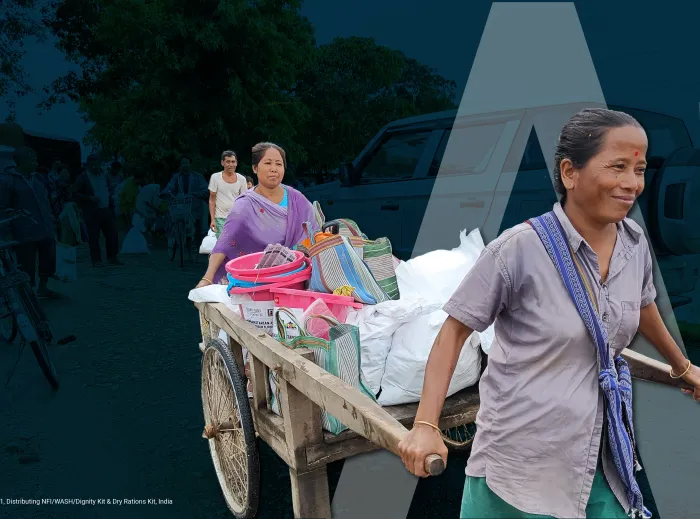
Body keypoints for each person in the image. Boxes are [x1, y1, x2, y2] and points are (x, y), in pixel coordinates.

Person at [398, 108, 700, 519]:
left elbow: (642, 304)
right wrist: (426, 425)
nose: (633, 184)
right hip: (518, 466)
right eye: (618, 167)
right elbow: (453, 332)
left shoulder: (634, 243)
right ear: (569, 172)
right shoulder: (518, 250)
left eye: (640, 169)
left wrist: (683, 367)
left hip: (597, 456)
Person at [196, 142, 320, 288]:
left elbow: (315, 235)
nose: (274, 169)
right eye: (268, 163)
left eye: (279, 164)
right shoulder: (245, 204)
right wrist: (207, 278)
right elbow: (225, 240)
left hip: (295, 278)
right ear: (255, 168)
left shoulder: (298, 200)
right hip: (254, 281)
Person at [0, 146, 62, 298]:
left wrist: (52, 218)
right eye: (31, 158)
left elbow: (46, 200)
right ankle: (28, 294)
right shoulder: (9, 181)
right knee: (26, 264)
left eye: (35, 157)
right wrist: (6, 233)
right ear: (20, 161)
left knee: (48, 260)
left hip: (45, 227)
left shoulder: (39, 178)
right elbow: (3, 208)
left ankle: (43, 287)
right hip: (24, 231)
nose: (35, 161)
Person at [73, 153, 123, 267]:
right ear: (89, 164)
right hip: (92, 211)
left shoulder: (103, 175)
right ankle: (96, 260)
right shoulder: (83, 177)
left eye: (98, 163)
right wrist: (89, 198)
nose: (96, 166)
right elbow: (74, 194)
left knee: (112, 234)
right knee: (94, 236)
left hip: (106, 209)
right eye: (93, 164)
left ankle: (112, 257)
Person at [163, 155, 209, 243]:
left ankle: (197, 240)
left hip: (195, 206)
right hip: (180, 205)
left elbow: (205, 189)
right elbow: (169, 187)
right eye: (183, 163)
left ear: (190, 164)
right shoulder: (176, 177)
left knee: (199, 227)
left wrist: (195, 194)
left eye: (186, 163)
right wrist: (165, 193)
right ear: (180, 165)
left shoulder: (198, 176)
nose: (185, 165)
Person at [208, 150, 248, 238]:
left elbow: (244, 201)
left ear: (236, 163)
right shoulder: (215, 177)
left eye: (233, 162)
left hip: (236, 218)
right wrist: (212, 220)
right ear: (222, 163)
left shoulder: (241, 179)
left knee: (236, 245)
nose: (231, 164)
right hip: (220, 218)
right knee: (223, 245)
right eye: (228, 162)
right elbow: (212, 200)